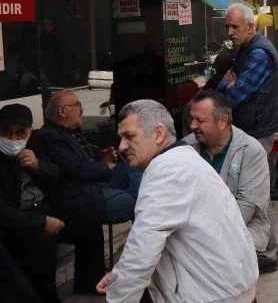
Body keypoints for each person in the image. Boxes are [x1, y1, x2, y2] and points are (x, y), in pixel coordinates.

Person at [96, 100, 258, 302]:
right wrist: (120, 274)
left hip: (212, 295)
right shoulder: (183, 160)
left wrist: (118, 297)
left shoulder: (166, 170)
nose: (121, 146)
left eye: (129, 136)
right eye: (120, 138)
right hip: (230, 289)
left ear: (158, 134)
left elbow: (142, 250)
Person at [0, 103, 105, 301]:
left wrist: (37, 165)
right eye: (6, 132)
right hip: (19, 222)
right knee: (42, 244)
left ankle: (90, 285)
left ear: (29, 132)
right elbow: (4, 213)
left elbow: (56, 175)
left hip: (45, 209)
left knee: (88, 223)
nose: (13, 139)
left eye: (20, 133)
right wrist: (43, 222)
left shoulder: (32, 149)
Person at [215, 2, 278, 267]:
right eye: (227, 26)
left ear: (251, 27)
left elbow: (235, 94)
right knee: (255, 192)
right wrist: (228, 82)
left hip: (258, 130)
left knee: (256, 194)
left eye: (235, 26)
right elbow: (226, 83)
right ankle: (265, 249)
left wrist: (230, 84)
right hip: (252, 128)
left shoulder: (258, 53)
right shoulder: (245, 49)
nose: (230, 32)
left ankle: (267, 252)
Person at [183, 90, 277, 274]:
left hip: (240, 228)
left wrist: (207, 238)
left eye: (200, 120)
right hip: (196, 231)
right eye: (192, 119)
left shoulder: (251, 151)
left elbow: (247, 207)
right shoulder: (186, 148)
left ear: (223, 121)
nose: (193, 125)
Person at [30, 90, 141, 225]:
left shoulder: (70, 132)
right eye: (78, 105)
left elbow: (84, 163)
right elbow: (75, 169)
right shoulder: (50, 136)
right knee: (139, 202)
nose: (82, 109)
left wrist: (101, 158)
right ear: (62, 111)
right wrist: (105, 166)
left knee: (133, 164)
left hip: (95, 184)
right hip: (79, 196)